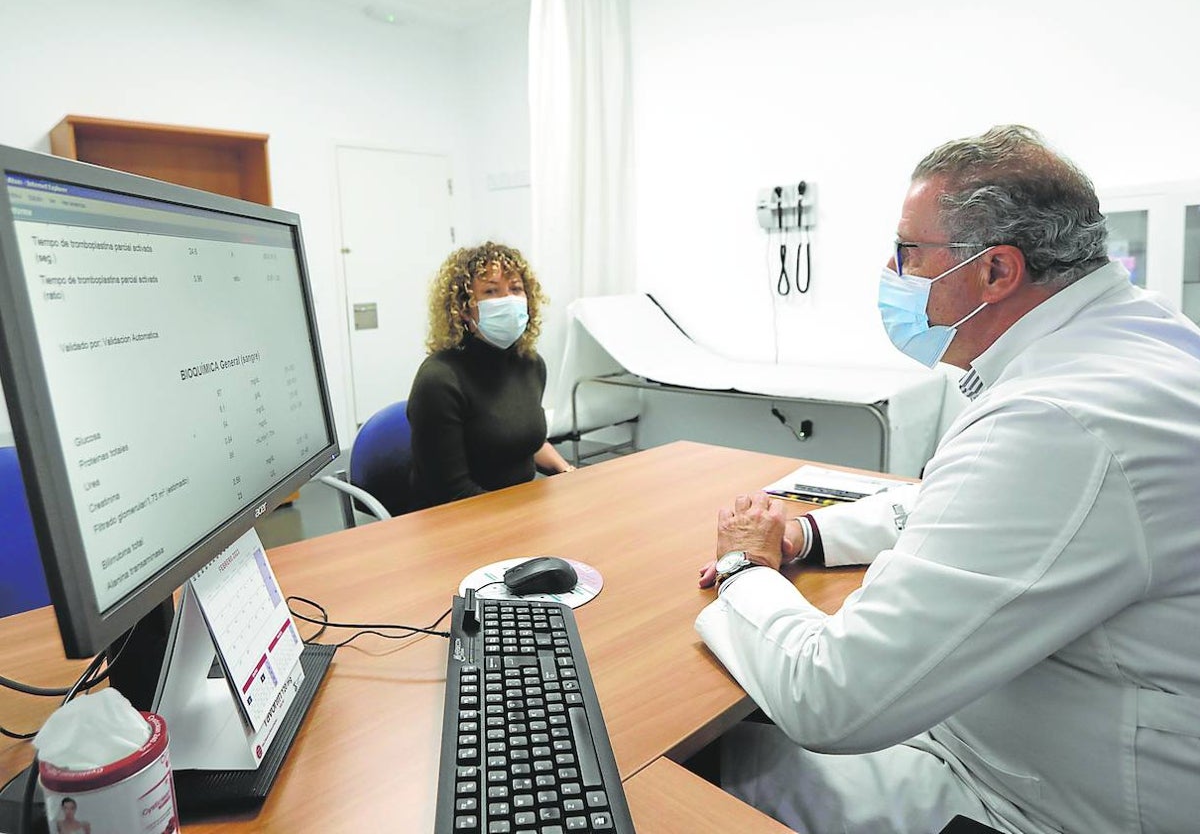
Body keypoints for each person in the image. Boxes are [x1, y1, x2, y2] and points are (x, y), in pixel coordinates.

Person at [695, 125, 1200, 833]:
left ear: (996, 272)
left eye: (908, 253)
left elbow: (830, 700)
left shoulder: (1058, 421)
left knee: (722, 762)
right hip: (1028, 734)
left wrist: (746, 566)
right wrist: (809, 532)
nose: (893, 275)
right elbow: (964, 509)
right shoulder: (1131, 336)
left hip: (1040, 803)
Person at [407, 241, 574, 509]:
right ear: (463, 308)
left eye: (516, 289)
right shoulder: (439, 379)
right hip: (459, 519)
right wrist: (521, 517)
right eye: (491, 291)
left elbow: (525, 438)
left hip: (518, 509)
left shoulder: (530, 364)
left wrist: (568, 472)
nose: (508, 300)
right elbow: (451, 492)